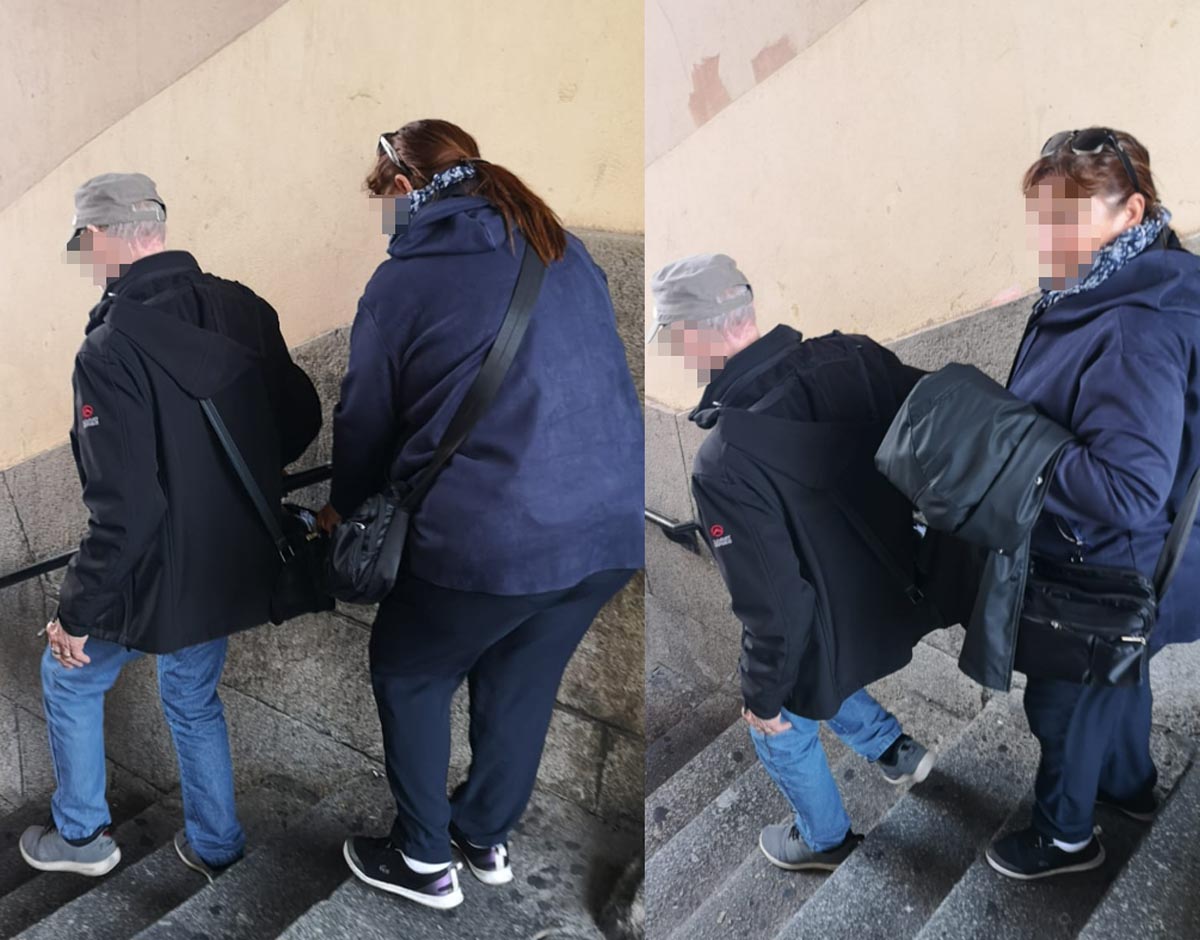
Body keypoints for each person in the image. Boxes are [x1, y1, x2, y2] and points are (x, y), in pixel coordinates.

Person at [323, 120, 643, 910]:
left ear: (405, 189)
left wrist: (344, 509)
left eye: (382, 200)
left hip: (497, 533)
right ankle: (484, 834)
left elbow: (365, 418)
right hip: (608, 527)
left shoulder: (403, 281)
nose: (384, 219)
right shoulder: (559, 246)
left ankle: (425, 860)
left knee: (410, 670)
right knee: (522, 677)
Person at [20, 173, 321, 881]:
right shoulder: (242, 306)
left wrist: (74, 615)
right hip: (232, 561)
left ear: (97, 240)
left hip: (156, 570)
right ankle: (217, 846)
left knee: (67, 675)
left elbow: (126, 511)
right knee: (190, 695)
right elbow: (300, 420)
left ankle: (83, 837)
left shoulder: (108, 349)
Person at [648, 253, 944, 872]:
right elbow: (945, 423)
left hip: (832, 621)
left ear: (698, 334)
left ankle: (825, 841)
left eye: (675, 337)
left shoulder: (724, 461)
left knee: (777, 711)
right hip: (903, 591)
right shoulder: (855, 357)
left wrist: (760, 696)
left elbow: (777, 611)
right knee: (811, 663)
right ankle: (894, 750)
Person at [985, 128, 1200, 880]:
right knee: (1119, 674)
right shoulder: (1123, 281)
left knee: (1063, 704)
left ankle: (1064, 839)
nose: (1048, 239)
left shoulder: (1136, 321)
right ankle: (1130, 788)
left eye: (1066, 218)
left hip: (1103, 562)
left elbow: (1130, 487)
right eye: (1040, 218)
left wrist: (1014, 449)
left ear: (1131, 208)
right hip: (1134, 567)